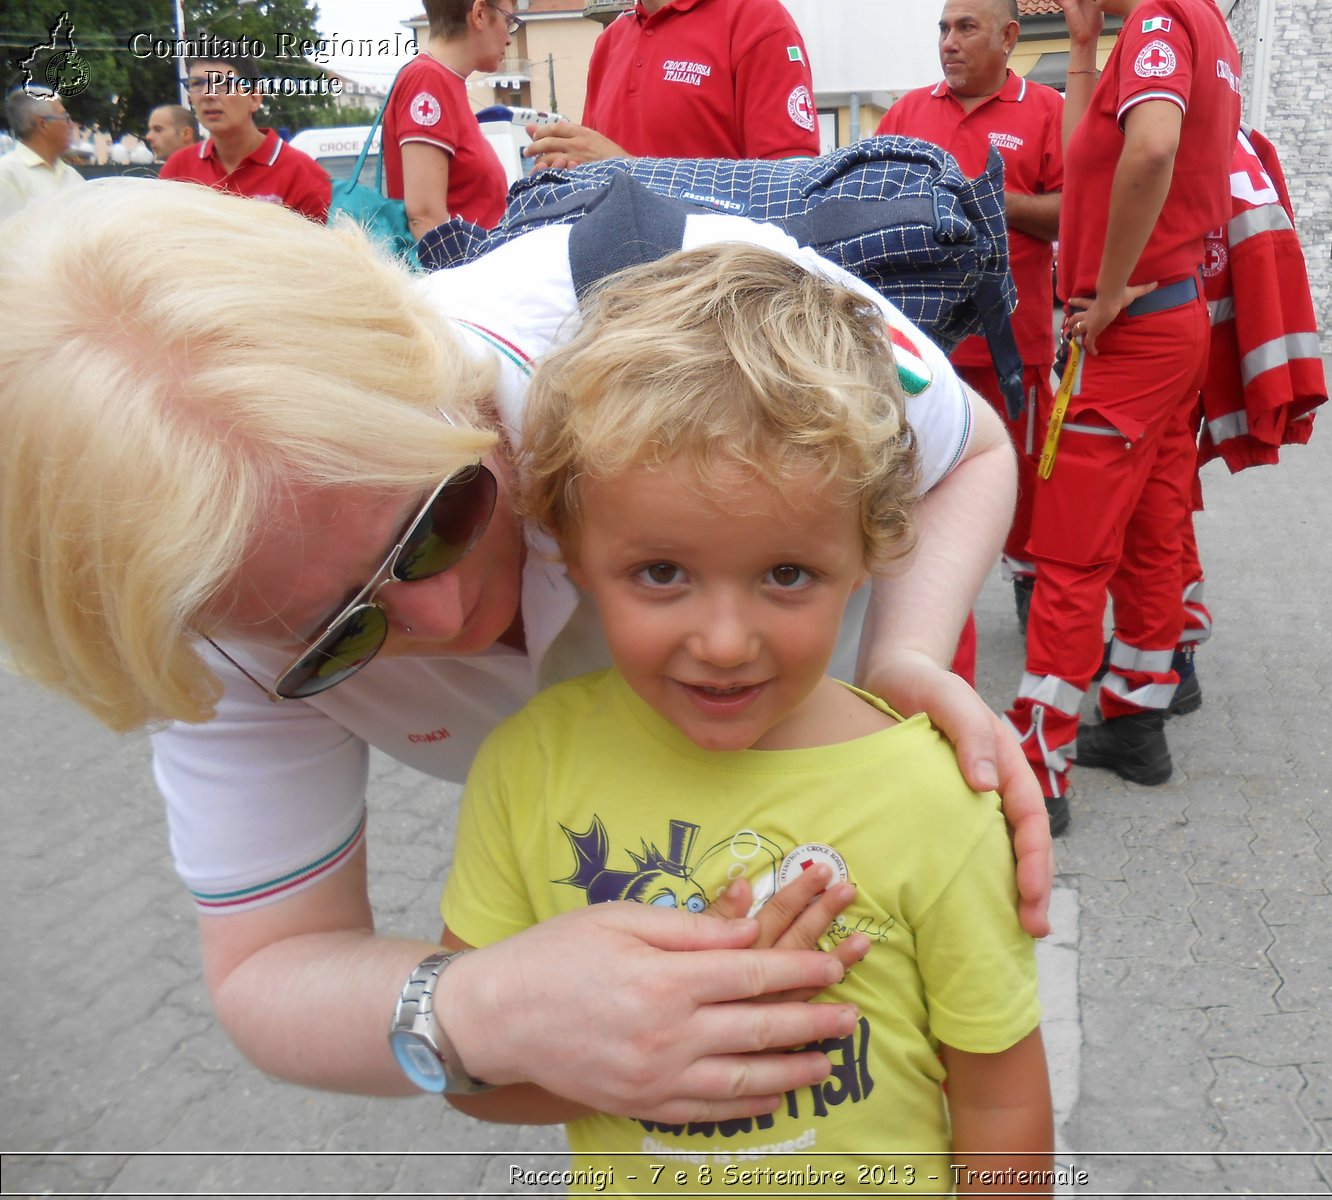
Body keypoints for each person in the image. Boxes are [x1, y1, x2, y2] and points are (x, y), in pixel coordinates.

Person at [0, 179, 1051, 1121]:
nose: (448, 618)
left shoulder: (701, 328)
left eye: (439, 517)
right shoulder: (207, 618)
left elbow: (968, 449)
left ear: (432, 367)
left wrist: (902, 660)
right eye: (334, 636)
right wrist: (477, 1004)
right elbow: (266, 967)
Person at [439, 242, 1053, 1185]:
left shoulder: (935, 794)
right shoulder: (527, 770)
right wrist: (652, 1046)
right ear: (568, 545)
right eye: (661, 572)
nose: (725, 641)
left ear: (871, 550)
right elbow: (474, 1081)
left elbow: (1000, 1097)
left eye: (786, 574)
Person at [1002, 0, 1241, 816]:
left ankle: (1038, 767)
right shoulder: (1202, 24)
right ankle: (1137, 724)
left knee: (1069, 557)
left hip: (1125, 332)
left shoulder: (1158, 24)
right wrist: (1077, 47)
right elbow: (1088, 163)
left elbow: (1152, 151)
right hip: (1172, 323)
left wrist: (1103, 294)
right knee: (1151, 530)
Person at [877, 0, 1064, 641]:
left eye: (967, 28)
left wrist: (982, 198)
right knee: (909, 479)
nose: (949, 43)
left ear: (1010, 37)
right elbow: (865, 198)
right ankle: (910, 604)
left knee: (1023, 484)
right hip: (917, 348)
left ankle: (1030, 583)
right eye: (944, 29)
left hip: (1014, 345)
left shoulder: (1049, 112)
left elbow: (1072, 212)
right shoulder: (906, 114)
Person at [527, 0, 819, 167]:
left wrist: (626, 168)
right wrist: (564, 169)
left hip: (711, 273)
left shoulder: (759, 21)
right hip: (615, 271)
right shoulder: (609, 42)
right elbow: (600, 177)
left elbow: (788, 196)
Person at [385, 0, 514, 238]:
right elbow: (424, 217)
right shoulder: (428, 80)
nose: (509, 38)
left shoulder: (444, 81)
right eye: (509, 21)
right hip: (459, 273)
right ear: (480, 14)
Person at [160, 55, 331, 222]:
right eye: (196, 84)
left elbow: (324, 248)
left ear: (254, 99)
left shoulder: (302, 175)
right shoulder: (177, 170)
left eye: (222, 83)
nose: (207, 94)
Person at [0, 88, 83, 222]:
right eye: (65, 117)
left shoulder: (71, 175)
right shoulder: (6, 175)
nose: (72, 125)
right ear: (43, 124)